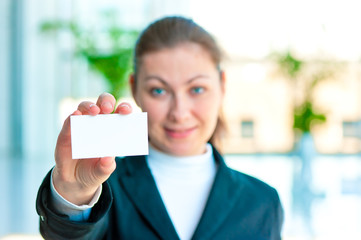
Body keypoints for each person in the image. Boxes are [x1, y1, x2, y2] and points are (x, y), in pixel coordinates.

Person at [36, 16, 283, 240]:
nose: (179, 112)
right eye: (159, 90)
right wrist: (73, 194)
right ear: (135, 89)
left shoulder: (262, 202)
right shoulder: (103, 190)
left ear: (222, 85)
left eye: (197, 89)